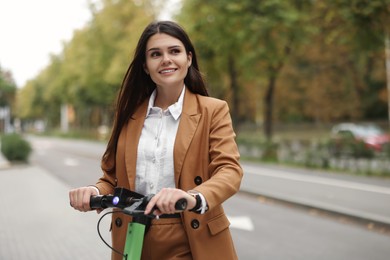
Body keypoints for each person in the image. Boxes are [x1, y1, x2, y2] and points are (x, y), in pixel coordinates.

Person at [69, 20, 243, 260]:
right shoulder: (128, 114)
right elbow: (111, 178)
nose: (166, 60)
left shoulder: (213, 110)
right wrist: (94, 191)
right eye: (155, 54)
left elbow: (229, 170)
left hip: (191, 237)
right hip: (133, 236)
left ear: (189, 58)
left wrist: (192, 197)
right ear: (145, 65)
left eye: (174, 51)